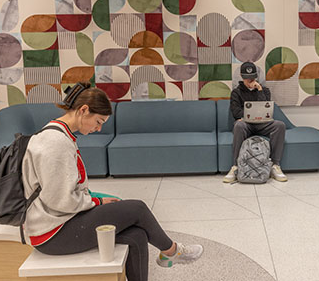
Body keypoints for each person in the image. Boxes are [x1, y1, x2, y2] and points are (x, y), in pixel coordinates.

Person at [21, 82, 203, 281]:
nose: (98, 129)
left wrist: (96, 200)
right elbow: (60, 201)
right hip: (53, 233)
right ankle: (172, 251)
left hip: (56, 224)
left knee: (137, 235)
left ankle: (168, 254)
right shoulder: (56, 143)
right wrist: (97, 203)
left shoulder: (58, 134)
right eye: (98, 121)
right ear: (83, 110)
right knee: (137, 209)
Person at [223, 62, 288, 183]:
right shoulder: (236, 93)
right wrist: (245, 116)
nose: (250, 81)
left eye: (252, 78)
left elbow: (265, 106)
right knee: (238, 125)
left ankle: (275, 165)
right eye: (247, 79)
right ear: (242, 78)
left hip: (262, 124)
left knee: (280, 125)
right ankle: (236, 166)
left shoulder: (265, 91)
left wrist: (259, 90)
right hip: (246, 125)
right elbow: (235, 112)